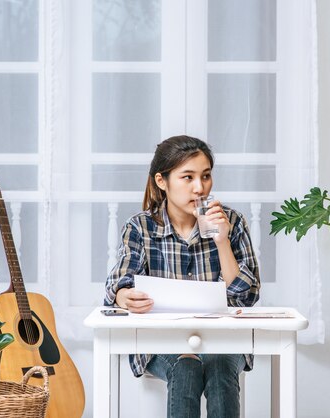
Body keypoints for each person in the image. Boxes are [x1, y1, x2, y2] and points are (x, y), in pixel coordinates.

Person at [104, 135, 261, 418]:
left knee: (220, 363)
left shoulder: (232, 222)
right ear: (161, 181)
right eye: (187, 177)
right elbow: (118, 285)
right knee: (186, 365)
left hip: (222, 340)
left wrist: (221, 240)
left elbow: (246, 298)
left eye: (206, 176)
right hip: (160, 342)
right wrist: (124, 297)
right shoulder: (140, 227)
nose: (199, 188)